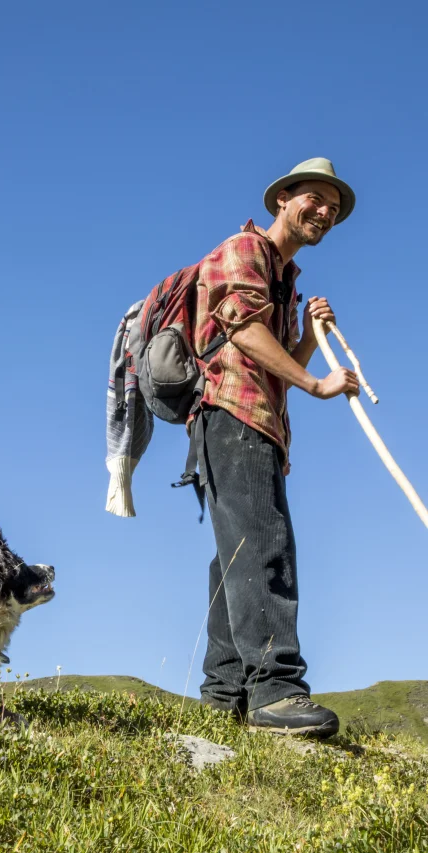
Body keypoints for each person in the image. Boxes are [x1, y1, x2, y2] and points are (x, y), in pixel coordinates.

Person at [195, 158, 359, 738]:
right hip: (235, 415)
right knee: (265, 543)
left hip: (249, 419)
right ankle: (277, 693)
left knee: (236, 555)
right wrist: (317, 385)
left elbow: (276, 361)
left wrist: (309, 342)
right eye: (315, 199)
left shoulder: (284, 278)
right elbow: (241, 326)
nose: (325, 213)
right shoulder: (246, 248)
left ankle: (226, 696)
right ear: (283, 199)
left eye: (334, 210)